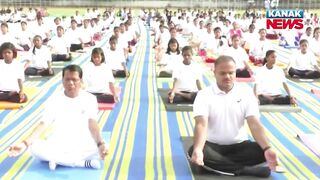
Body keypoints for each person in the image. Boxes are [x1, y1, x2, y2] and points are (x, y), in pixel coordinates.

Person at [188, 55, 278, 177]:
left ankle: (217, 167)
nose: (227, 77)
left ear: (235, 72)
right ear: (214, 72)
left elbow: (254, 123)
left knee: (262, 151)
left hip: (240, 146)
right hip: (212, 146)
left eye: (231, 73)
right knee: (195, 150)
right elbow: (201, 124)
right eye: (223, 73)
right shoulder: (204, 95)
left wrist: (267, 148)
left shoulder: (246, 93)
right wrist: (198, 149)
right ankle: (244, 170)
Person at [8, 65, 108, 170]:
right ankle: (81, 163)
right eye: (67, 79)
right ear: (62, 81)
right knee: (34, 148)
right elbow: (43, 123)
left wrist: (100, 144)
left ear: (81, 81)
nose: (70, 83)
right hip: (59, 144)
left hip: (83, 145)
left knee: (102, 147)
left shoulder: (90, 99)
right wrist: (24, 144)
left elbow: (92, 123)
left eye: (74, 79)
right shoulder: (54, 99)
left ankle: (58, 160)